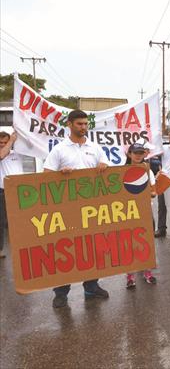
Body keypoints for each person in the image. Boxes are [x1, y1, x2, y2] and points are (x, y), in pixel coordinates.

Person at [43, 109, 110, 309]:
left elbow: (107, 168)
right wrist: (60, 175)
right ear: (70, 124)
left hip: (91, 209)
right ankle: (61, 293)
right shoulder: (59, 150)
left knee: (91, 247)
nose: (83, 127)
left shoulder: (95, 147)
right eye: (79, 124)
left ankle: (91, 286)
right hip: (67, 210)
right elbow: (46, 175)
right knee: (66, 249)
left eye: (85, 124)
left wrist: (103, 165)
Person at [124, 143, 157, 288]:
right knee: (129, 244)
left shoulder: (148, 170)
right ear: (129, 154)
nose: (138, 155)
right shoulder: (121, 171)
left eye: (141, 153)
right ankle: (130, 276)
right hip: (128, 212)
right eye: (135, 153)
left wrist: (149, 192)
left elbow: (154, 192)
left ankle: (147, 272)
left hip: (145, 211)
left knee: (147, 242)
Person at [0, 131, 24, 258]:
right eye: (1, 143)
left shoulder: (17, 154)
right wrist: (10, 141)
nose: (3, 145)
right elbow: (2, 155)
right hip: (2, 191)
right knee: (1, 221)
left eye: (5, 142)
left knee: (21, 220)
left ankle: (23, 246)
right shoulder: (2, 153)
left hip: (19, 191)